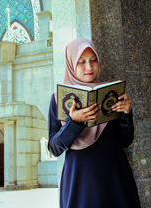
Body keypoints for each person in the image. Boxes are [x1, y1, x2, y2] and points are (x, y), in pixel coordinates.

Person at [48, 38, 141, 208]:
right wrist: (74, 122)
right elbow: (54, 148)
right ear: (71, 64)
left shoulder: (111, 92)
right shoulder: (58, 98)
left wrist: (126, 113)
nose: (89, 67)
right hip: (80, 179)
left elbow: (125, 141)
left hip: (114, 177)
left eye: (93, 60)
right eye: (81, 62)